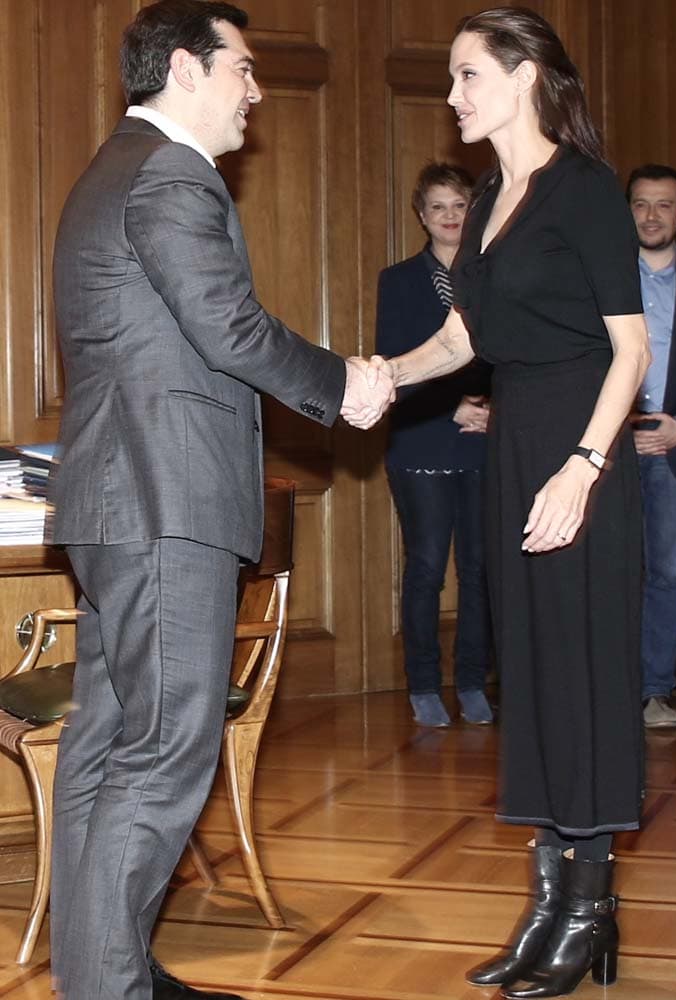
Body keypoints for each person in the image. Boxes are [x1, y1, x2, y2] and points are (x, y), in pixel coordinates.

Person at [46, 3, 392, 999]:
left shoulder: (116, 168)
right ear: (190, 67)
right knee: (164, 752)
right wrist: (341, 384)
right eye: (243, 67)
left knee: (107, 747)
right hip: (164, 504)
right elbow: (228, 328)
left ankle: (105, 976)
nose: (257, 88)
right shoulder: (167, 174)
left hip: (123, 506)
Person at [365, 7, 650, 997]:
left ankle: (589, 904)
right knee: (529, 671)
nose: (451, 97)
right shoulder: (489, 196)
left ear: (524, 75)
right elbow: (462, 341)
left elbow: (633, 348)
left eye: (465, 76)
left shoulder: (583, 192)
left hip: (579, 450)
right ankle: (548, 899)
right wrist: (378, 378)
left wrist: (581, 467)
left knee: (581, 672)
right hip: (516, 447)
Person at [375, 162, 494, 727]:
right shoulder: (397, 280)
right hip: (423, 438)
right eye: (438, 207)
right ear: (422, 216)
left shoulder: (491, 275)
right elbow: (394, 360)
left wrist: (494, 410)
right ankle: (423, 684)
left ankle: (472, 681)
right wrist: (452, 408)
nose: (450, 217)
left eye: (459, 205)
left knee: (479, 569)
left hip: (487, 440)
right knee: (426, 567)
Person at [626, 164, 676, 729]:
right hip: (608, 450)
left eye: (663, 205)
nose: (651, 216)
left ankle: (653, 689)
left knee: (665, 573)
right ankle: (605, 687)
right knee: (607, 569)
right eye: (641, 204)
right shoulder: (600, 278)